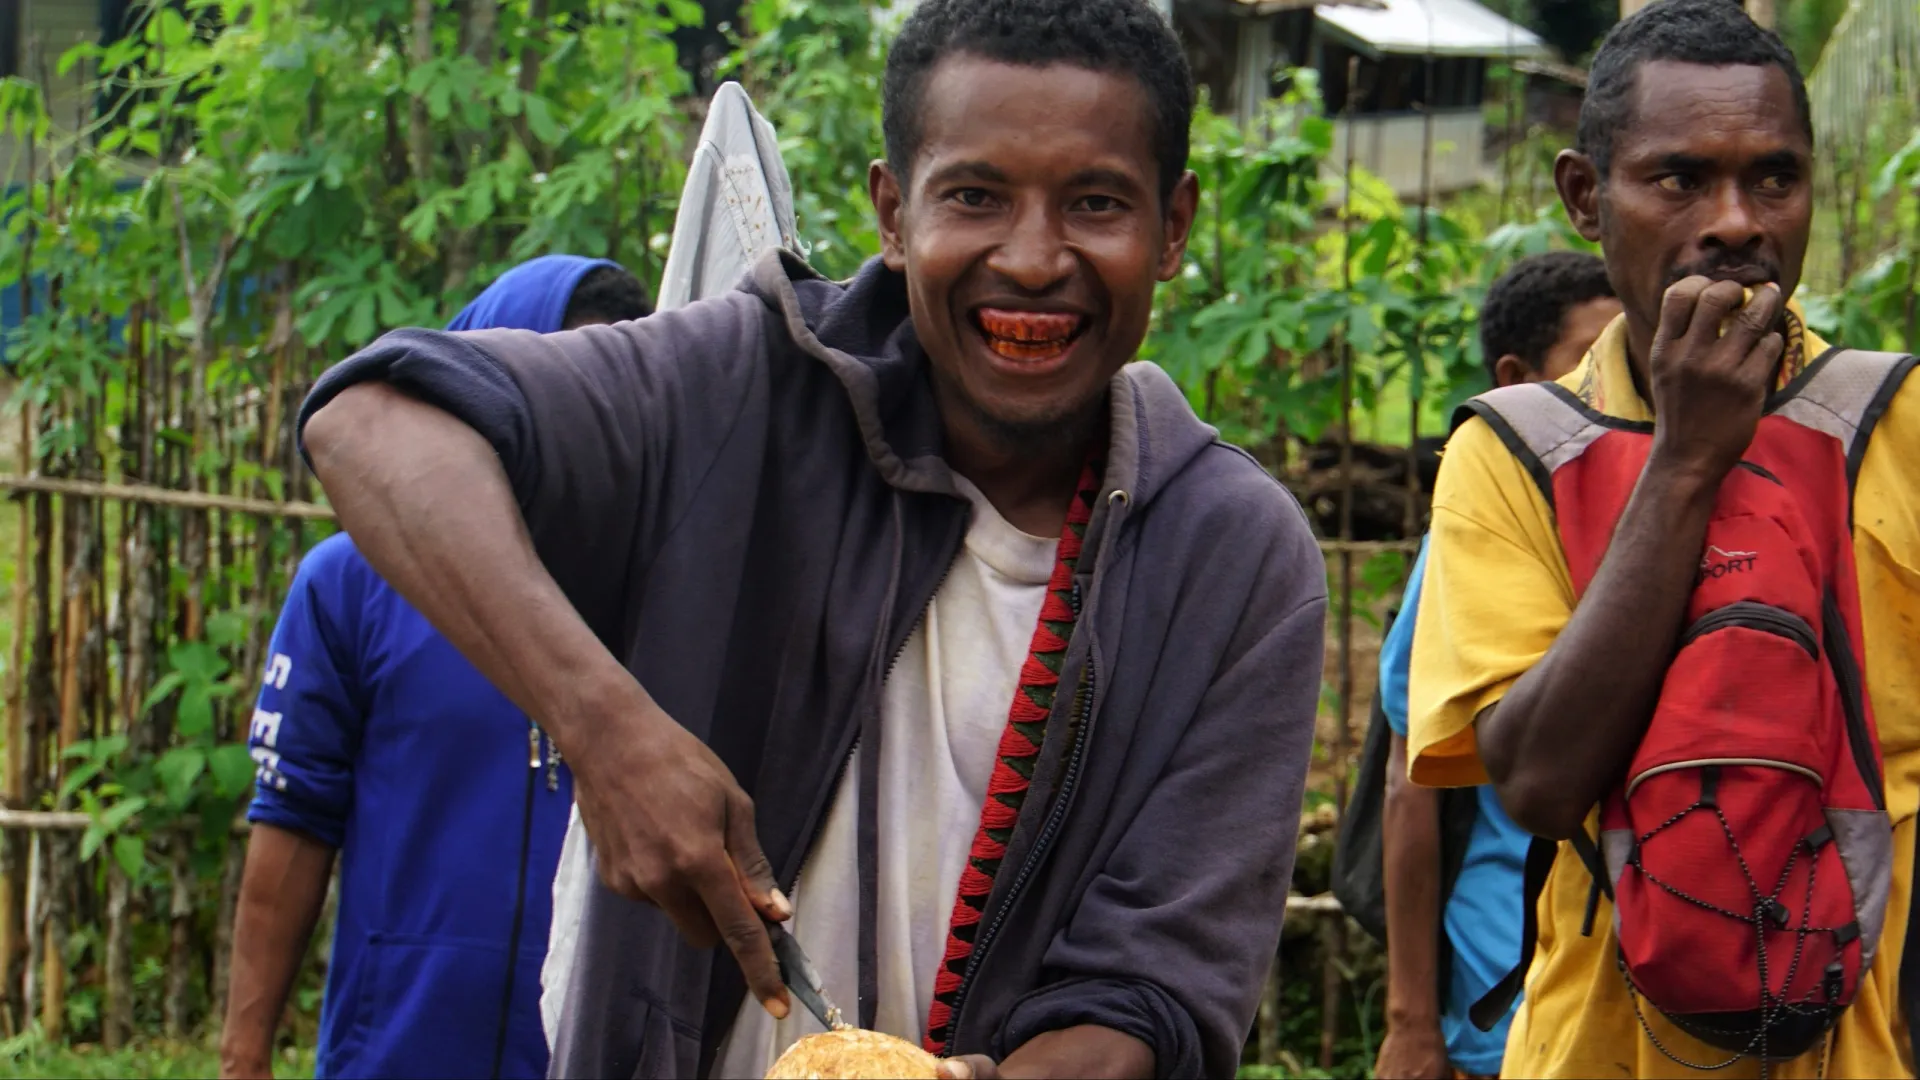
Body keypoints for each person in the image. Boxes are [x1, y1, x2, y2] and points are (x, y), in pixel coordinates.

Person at [293, 0, 1331, 1076]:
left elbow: (1157, 995)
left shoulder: (1234, 561)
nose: (1031, 259)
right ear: (891, 211)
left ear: (1173, 228)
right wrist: (605, 732)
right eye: (974, 196)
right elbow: (370, 421)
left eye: (1097, 203)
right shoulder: (739, 391)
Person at [1406, 0, 1920, 1076]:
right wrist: (1688, 457)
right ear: (1587, 197)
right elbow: (1539, 780)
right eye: (1680, 179)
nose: (1736, 220)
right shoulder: (1517, 453)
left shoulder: (1900, 423)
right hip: (1603, 1048)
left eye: (1773, 179)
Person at [218, 256, 654, 1080]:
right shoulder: (352, 583)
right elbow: (294, 818)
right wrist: (244, 1057)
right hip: (396, 1051)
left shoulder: (655, 590)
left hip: (585, 1055)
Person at [1373, 252, 1620, 1080]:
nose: (1625, 377)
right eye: (1594, 359)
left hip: (1658, 981)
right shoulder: (1482, 529)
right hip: (1506, 993)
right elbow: (1413, 780)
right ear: (1517, 381)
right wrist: (1411, 1022)